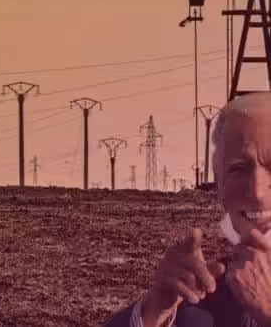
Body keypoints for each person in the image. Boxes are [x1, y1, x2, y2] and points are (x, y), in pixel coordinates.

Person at [105, 92, 271, 327]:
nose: (257, 192)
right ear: (220, 184)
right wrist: (154, 310)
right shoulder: (201, 301)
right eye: (237, 170)